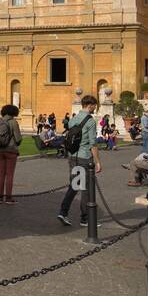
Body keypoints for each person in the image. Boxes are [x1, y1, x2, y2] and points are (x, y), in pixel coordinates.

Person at [57, 94, 101, 228]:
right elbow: (93, 143)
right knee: (86, 189)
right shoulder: (90, 121)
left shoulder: (74, 119)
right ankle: (85, 218)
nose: (95, 108)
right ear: (90, 105)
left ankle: (63, 212)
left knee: (75, 185)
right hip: (84, 157)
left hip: (73, 157)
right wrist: (98, 162)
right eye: (94, 106)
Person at [0, 104, 23, 204]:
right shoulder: (13, 122)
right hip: (10, 150)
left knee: (1, 174)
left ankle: (0, 197)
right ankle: (9, 198)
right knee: (9, 175)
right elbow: (18, 139)